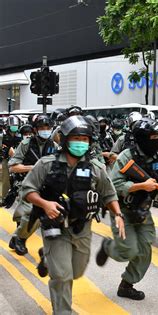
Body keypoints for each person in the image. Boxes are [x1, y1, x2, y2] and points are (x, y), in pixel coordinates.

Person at [21, 115, 125, 314]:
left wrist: (118, 215)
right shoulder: (46, 164)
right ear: (65, 139)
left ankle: (48, 260)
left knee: (76, 272)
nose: (80, 143)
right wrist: (45, 204)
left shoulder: (95, 168)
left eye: (84, 140)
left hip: (81, 228)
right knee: (62, 276)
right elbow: (27, 191)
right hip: (55, 227)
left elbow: (109, 193)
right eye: (76, 139)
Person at [96, 118, 158, 300]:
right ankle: (108, 247)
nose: (156, 141)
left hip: (143, 209)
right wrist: (141, 186)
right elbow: (114, 185)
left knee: (144, 249)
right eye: (152, 137)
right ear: (142, 138)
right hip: (122, 209)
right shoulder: (127, 155)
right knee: (127, 250)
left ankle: (127, 285)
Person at [9, 114, 57, 256]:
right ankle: (20, 238)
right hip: (28, 183)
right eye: (42, 127)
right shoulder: (26, 144)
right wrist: (34, 168)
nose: (45, 130)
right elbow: (13, 166)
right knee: (31, 212)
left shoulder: (54, 145)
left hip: (48, 186)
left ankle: (19, 238)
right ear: (36, 130)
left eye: (48, 127)